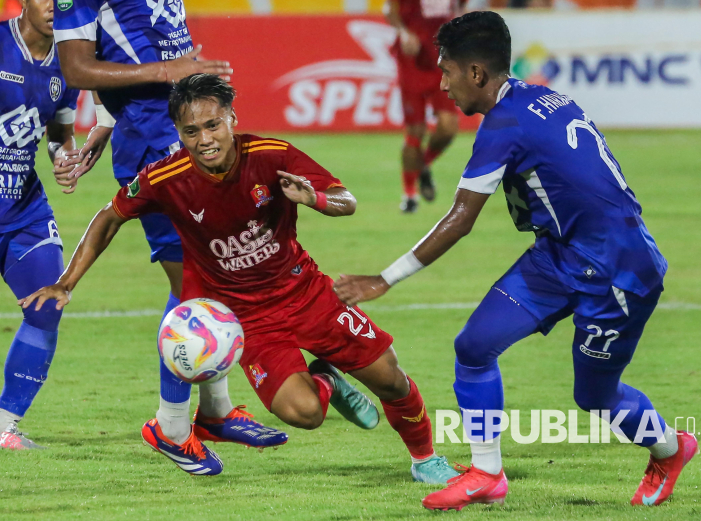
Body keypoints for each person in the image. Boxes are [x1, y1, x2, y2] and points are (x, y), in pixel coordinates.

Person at [334, 11, 698, 510]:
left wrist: (384, 279)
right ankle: (487, 474)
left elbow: (461, 219)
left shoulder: (505, 125)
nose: (441, 84)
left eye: (447, 71)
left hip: (618, 269)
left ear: (478, 74)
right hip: (559, 256)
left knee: (594, 397)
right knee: (474, 346)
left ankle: (671, 450)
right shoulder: (535, 97)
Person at [22, 74, 459, 483]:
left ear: (232, 118)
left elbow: (347, 199)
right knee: (305, 413)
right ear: (177, 131)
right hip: (248, 320)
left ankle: (425, 461)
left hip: (307, 294)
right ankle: (326, 378)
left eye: (213, 125)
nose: (204, 139)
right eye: (191, 131)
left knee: (390, 380)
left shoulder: (272, 154)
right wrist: (67, 281)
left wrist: (319, 199)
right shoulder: (165, 178)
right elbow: (108, 217)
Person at [51, 0, 288, 470]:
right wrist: (164, 75)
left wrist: (106, 119)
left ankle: (216, 411)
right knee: (189, 282)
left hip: (182, 127)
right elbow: (76, 67)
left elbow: (130, 40)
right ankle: (172, 425)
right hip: (154, 142)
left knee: (217, 268)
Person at [0, 0, 109, 449]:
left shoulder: (71, 61)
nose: (53, 5)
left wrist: (63, 158)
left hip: (23, 210)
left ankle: (4, 426)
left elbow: (58, 131)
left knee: (47, 305)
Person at [384, 0, 460, 213]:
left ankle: (423, 164)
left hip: (443, 60)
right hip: (413, 60)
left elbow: (458, 9)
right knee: (415, 131)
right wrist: (404, 32)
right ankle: (409, 196)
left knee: (448, 127)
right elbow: (389, 10)